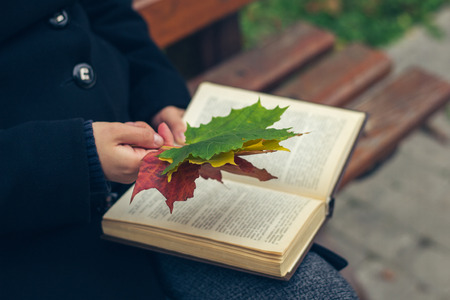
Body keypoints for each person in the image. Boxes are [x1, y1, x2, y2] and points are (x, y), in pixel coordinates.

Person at [0, 0, 359, 299]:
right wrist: (73, 156)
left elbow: (112, 16)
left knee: (320, 291)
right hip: (32, 236)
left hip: (151, 189)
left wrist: (161, 98)